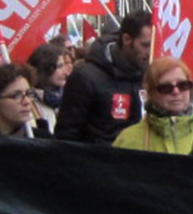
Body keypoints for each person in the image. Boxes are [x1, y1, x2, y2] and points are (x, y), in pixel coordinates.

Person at [54, 12, 151, 144]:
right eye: (145, 45)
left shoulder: (152, 75)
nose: (150, 52)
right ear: (127, 39)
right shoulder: (86, 77)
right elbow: (66, 136)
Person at [115, 56, 193, 154]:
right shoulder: (127, 140)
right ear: (151, 93)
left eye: (183, 85)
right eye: (166, 88)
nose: (176, 92)